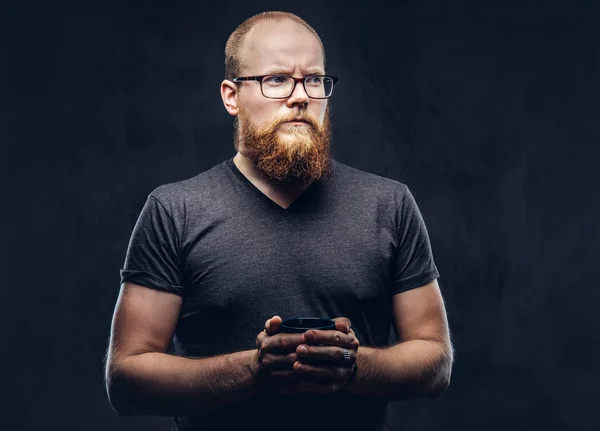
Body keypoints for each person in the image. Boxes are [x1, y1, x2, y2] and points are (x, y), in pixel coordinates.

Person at [104, 10, 453, 431]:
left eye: (314, 80)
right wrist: (255, 369)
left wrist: (351, 365)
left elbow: (435, 360)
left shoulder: (389, 204)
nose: (301, 96)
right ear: (231, 96)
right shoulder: (174, 210)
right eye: (276, 79)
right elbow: (125, 379)